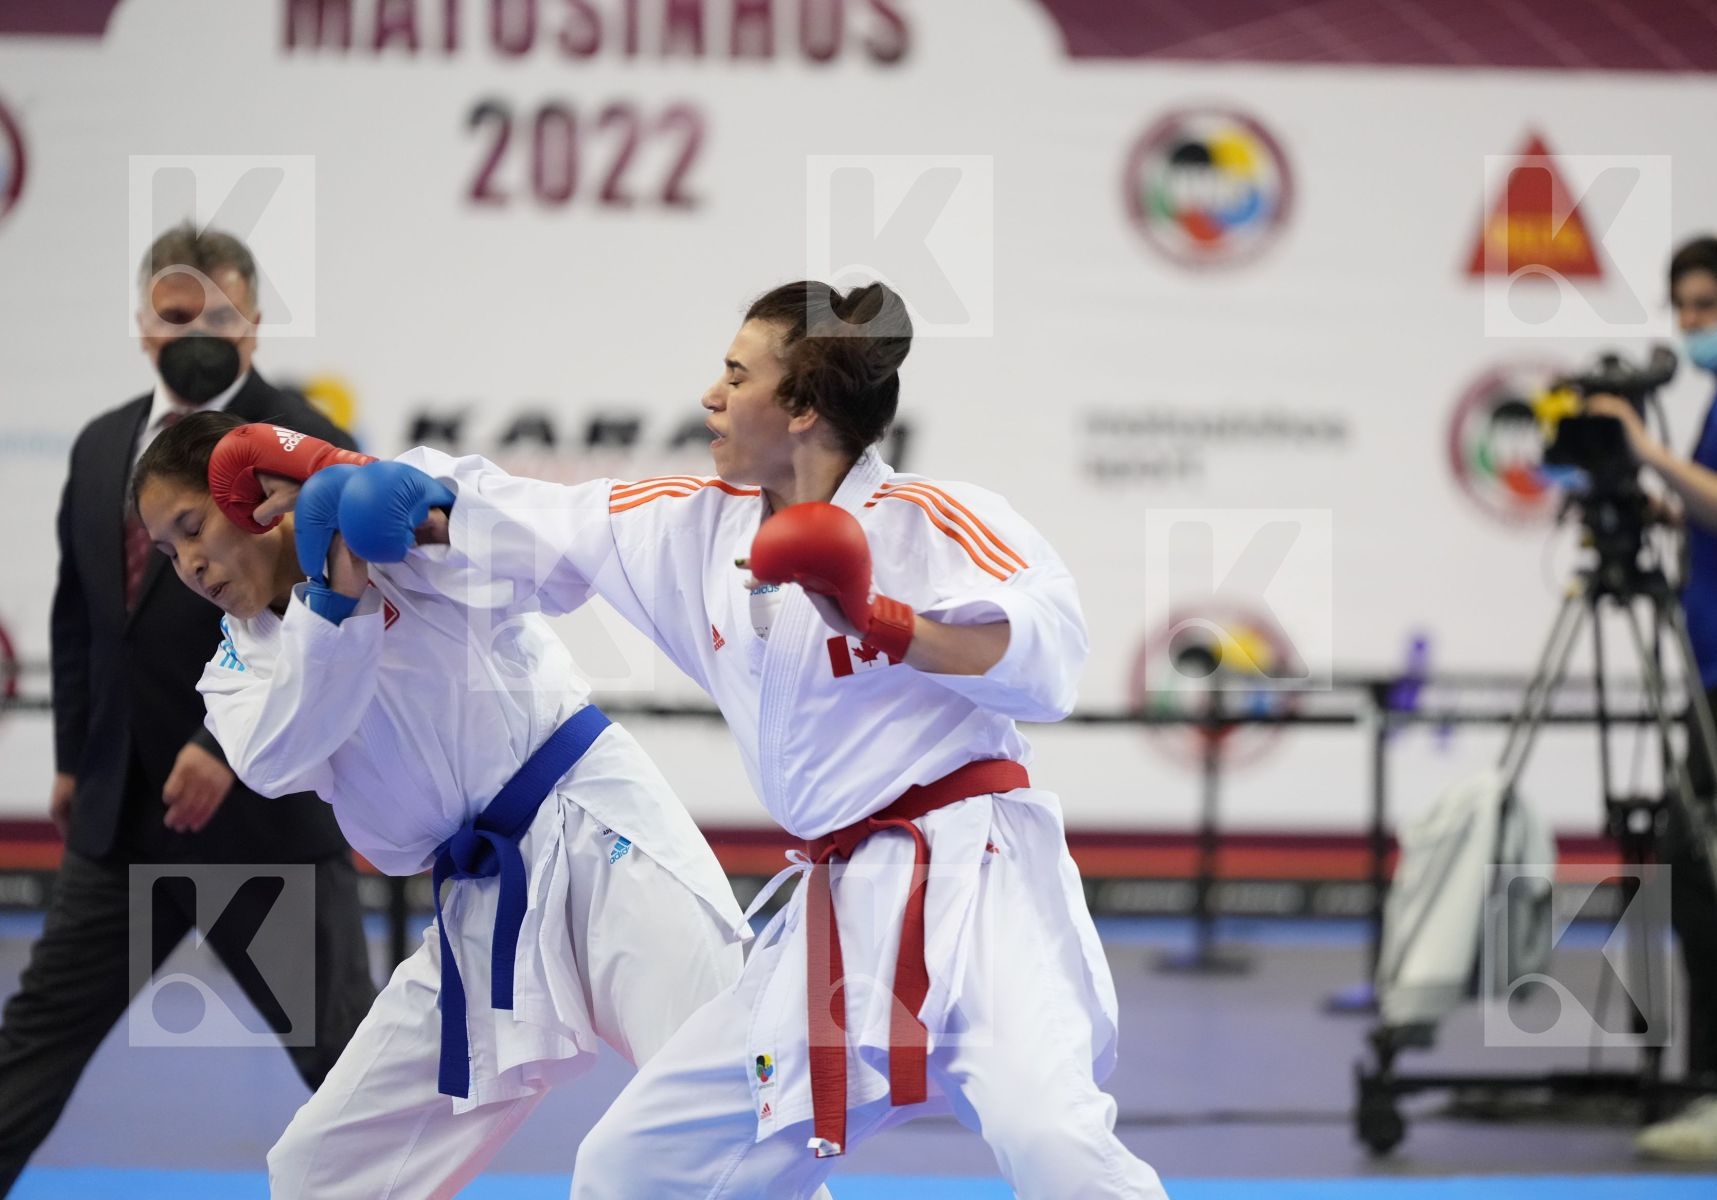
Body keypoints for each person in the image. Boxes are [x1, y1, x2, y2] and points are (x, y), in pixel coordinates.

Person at [333, 281, 1168, 1197]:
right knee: (637, 1162)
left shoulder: (931, 520)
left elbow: (1051, 656)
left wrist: (883, 621)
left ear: (804, 409)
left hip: (978, 881)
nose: (711, 396)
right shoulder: (695, 527)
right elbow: (535, 524)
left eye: (737, 374)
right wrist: (396, 492)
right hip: (840, 904)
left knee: (1050, 1139)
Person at [130, 411, 752, 1197]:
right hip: (479, 904)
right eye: (166, 551)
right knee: (321, 1170)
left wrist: (419, 513)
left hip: (595, 835)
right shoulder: (237, 656)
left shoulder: (394, 507)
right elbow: (279, 756)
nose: (187, 563)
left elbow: (544, 565)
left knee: (724, 1113)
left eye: (191, 528)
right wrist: (333, 595)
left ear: (250, 499)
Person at [0, 224, 375, 1194]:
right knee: (25, 1057)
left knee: (352, 1081)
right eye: (176, 317)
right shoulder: (99, 446)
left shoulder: (308, 449)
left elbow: (340, 616)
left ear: (252, 328)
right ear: (142, 326)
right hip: (121, 821)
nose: (196, 333)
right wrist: (75, 760)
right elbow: (82, 615)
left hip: (265, 825)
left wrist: (229, 740)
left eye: (219, 315)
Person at [1588, 234, 1717, 1162]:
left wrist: (1640, 449)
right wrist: (1667, 508)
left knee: (1710, 878)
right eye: (1682, 306)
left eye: (1708, 306)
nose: (1691, 324)